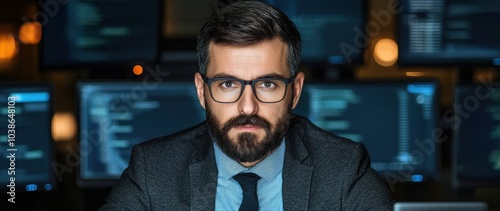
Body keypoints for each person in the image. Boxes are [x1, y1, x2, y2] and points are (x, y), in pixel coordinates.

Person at [99, 1, 394, 210]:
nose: (247, 107)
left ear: (295, 91)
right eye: (228, 84)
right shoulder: (154, 170)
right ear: (202, 90)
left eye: (268, 84)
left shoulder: (343, 168)